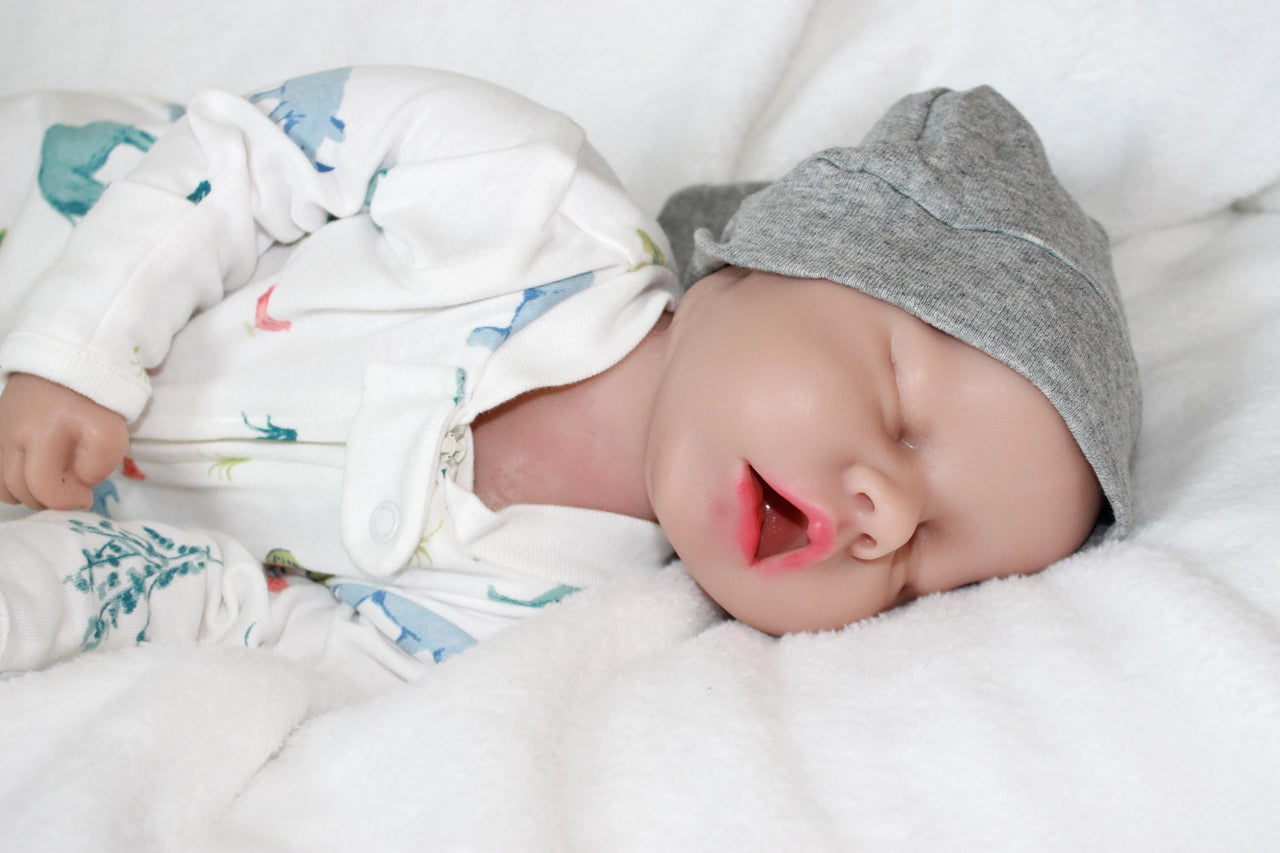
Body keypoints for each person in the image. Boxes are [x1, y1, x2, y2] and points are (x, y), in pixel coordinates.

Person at [0, 68, 1140, 682]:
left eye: (924, 568)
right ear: (779, 251)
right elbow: (248, 155)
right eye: (898, 407)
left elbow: (263, 627)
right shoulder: (527, 192)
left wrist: (60, 580)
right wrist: (73, 349)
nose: (884, 515)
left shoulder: (554, 624)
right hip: (47, 224)